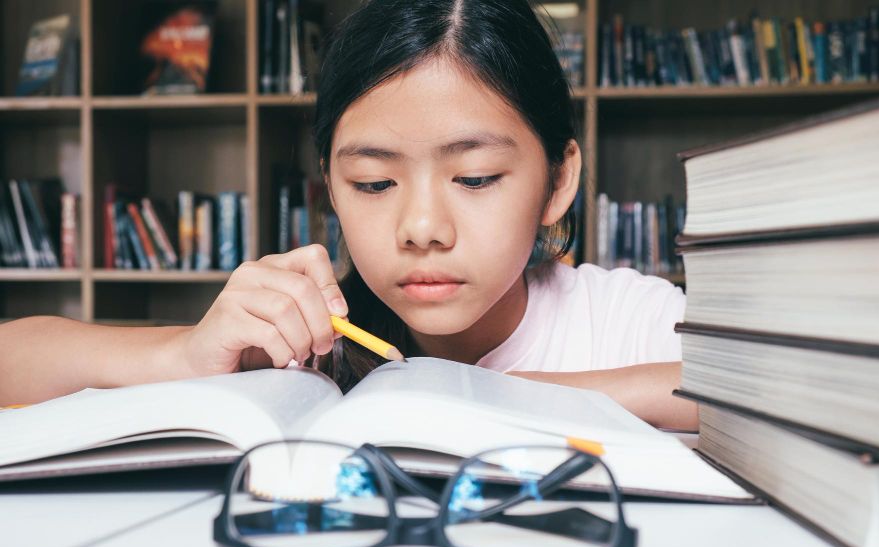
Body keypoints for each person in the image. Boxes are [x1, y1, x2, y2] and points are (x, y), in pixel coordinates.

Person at [0, 0, 696, 430]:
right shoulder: (312, 345)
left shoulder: (620, 322)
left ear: (558, 180)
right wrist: (184, 355)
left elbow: (788, 394)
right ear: (330, 186)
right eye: (372, 181)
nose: (422, 227)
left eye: (475, 176)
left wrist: (508, 398)